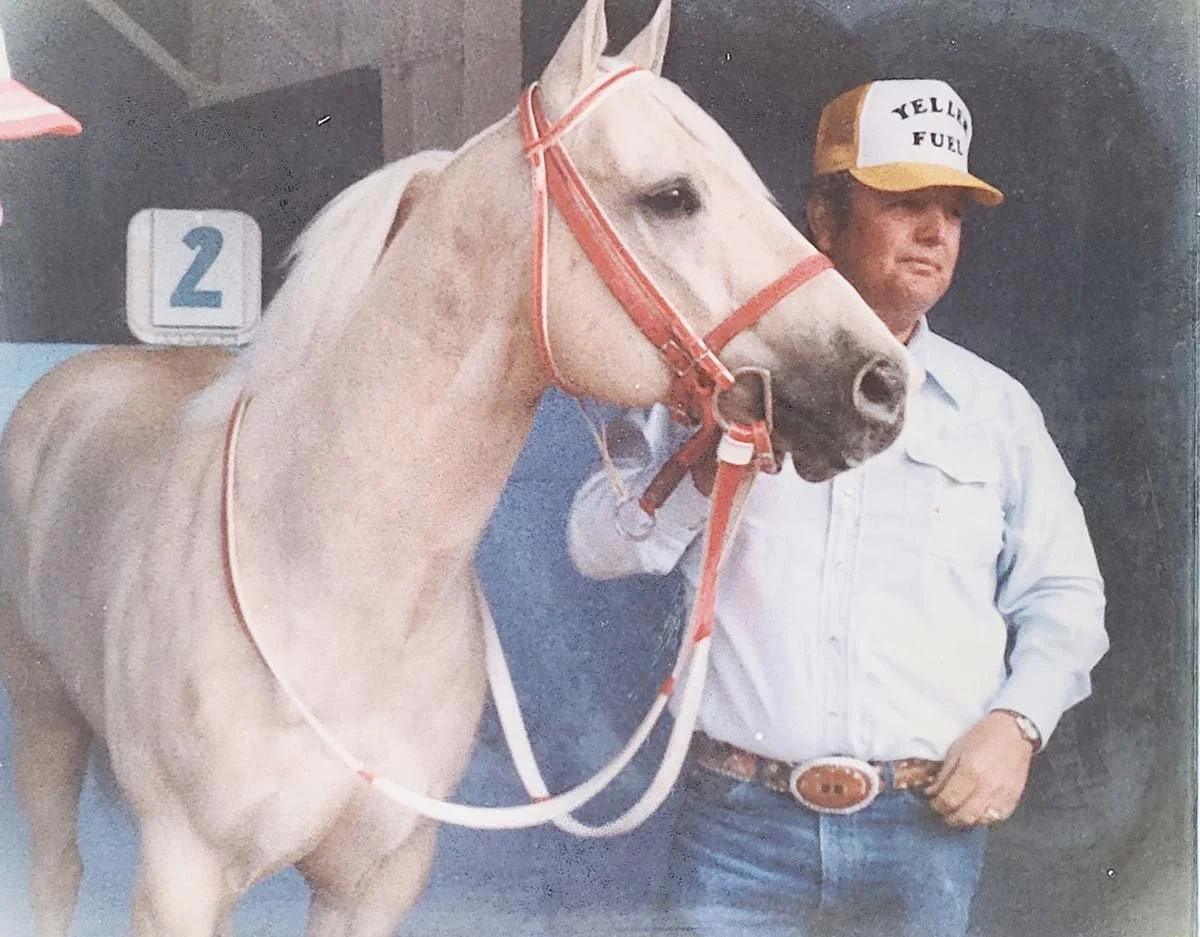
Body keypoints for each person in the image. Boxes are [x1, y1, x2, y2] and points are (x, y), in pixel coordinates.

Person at [566, 78, 1108, 937]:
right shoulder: (715, 382)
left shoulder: (996, 409)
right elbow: (596, 541)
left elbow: (1067, 597)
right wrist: (709, 463)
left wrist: (1018, 723)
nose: (936, 233)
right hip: (737, 825)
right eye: (904, 204)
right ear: (825, 217)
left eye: (953, 212)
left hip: (922, 830)